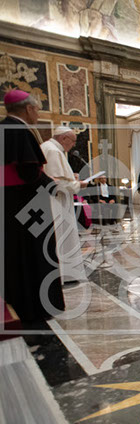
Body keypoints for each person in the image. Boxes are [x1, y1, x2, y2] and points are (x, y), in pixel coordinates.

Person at [1, 89, 65, 328]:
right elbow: (30, 172)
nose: (37, 113)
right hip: (27, 203)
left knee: (12, 253)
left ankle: (15, 301)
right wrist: (52, 185)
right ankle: (38, 306)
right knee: (34, 253)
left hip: (6, 203)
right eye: (37, 109)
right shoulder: (20, 131)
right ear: (28, 109)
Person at [41, 126, 88, 284]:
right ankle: (64, 274)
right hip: (57, 203)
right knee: (62, 236)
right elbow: (59, 184)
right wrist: (78, 184)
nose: (73, 145)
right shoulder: (53, 151)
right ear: (63, 138)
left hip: (52, 201)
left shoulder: (47, 147)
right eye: (73, 141)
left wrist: (71, 177)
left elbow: (56, 177)